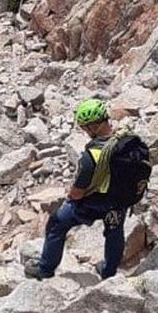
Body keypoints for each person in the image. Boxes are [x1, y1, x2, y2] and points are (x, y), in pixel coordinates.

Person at [24, 99, 130, 281]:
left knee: (56, 223)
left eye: (85, 127)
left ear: (93, 127)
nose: (84, 131)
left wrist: (70, 195)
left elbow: (77, 193)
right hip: (120, 201)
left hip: (94, 204)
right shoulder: (127, 141)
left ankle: (45, 269)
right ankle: (109, 271)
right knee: (114, 231)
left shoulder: (91, 157)